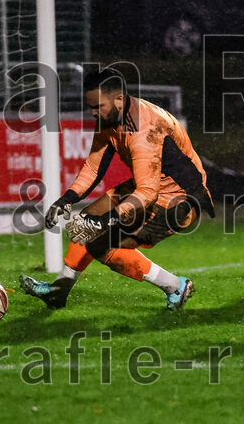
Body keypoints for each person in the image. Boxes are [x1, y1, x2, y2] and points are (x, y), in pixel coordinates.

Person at [20, 67, 214, 310]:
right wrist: (67, 198)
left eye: (98, 106)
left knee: (101, 243)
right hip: (151, 185)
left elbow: (147, 194)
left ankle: (175, 286)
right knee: (86, 221)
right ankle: (59, 291)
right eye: (90, 107)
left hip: (179, 199)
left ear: (119, 100)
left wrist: (108, 220)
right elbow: (94, 166)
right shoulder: (110, 118)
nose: (93, 113)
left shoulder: (145, 130)